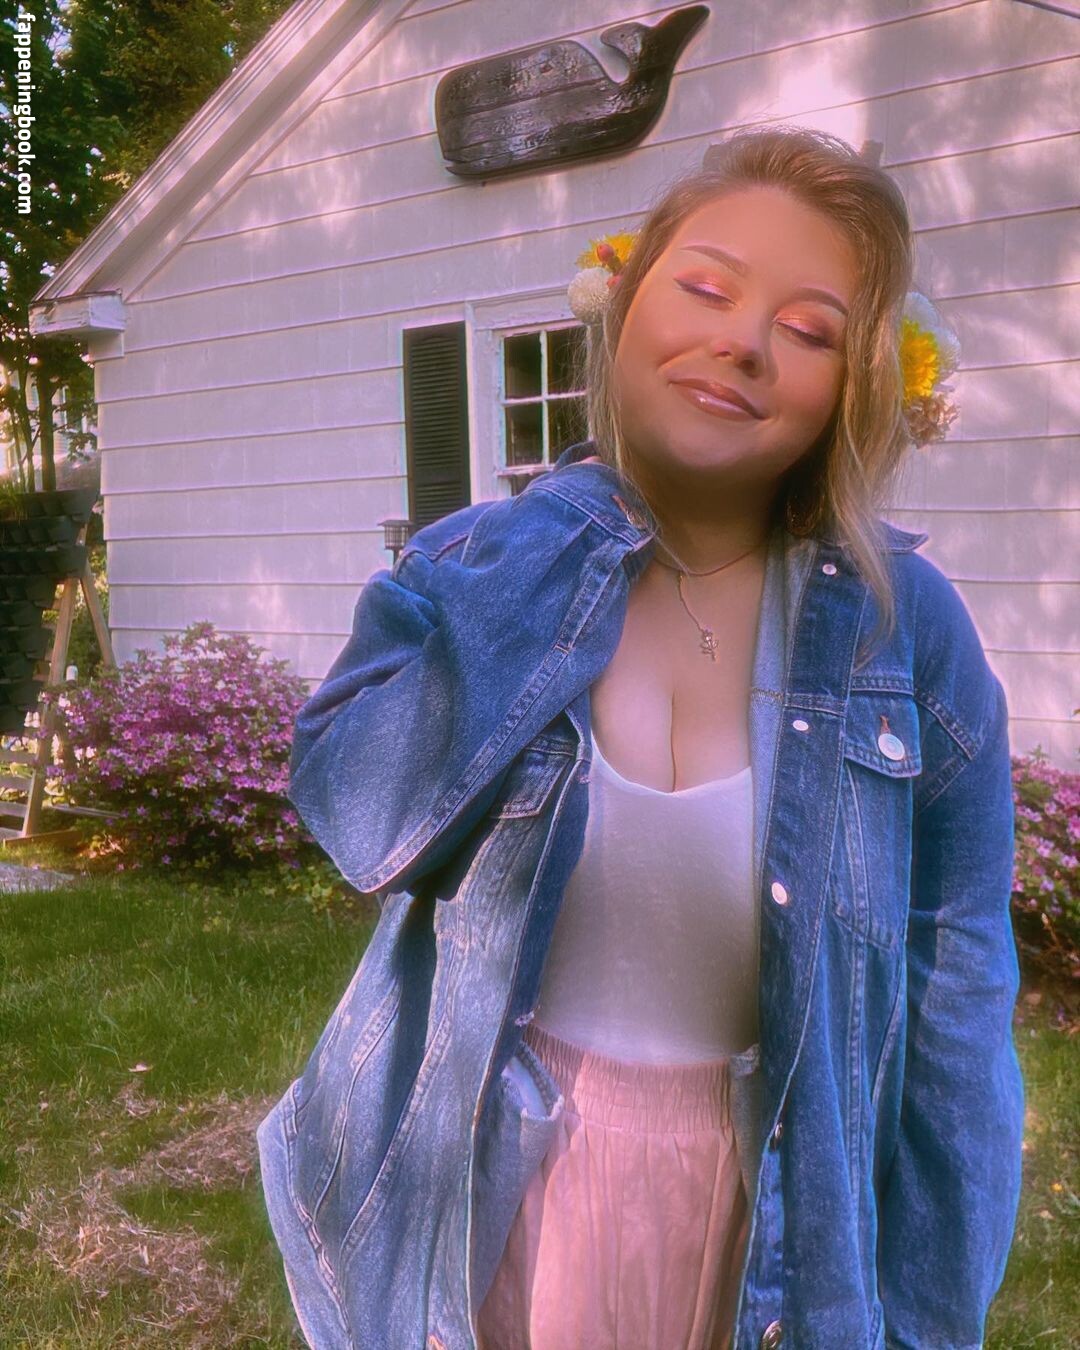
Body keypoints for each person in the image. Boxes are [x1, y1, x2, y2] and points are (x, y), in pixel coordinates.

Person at [257, 126, 1024, 1350]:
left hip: (769, 1230)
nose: (745, 342)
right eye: (706, 288)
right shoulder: (473, 562)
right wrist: (576, 518)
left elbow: (958, 1008)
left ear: (855, 386)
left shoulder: (906, 634)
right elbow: (359, 816)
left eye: (809, 329)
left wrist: (930, 1320)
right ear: (623, 309)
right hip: (490, 1198)